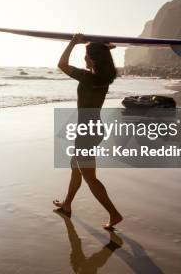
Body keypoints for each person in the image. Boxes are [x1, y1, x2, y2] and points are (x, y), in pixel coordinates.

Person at [53, 33, 123, 230]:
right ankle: (67, 204)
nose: (84, 59)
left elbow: (61, 64)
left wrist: (73, 43)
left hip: (86, 133)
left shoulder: (88, 77)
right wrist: (103, 48)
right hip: (94, 129)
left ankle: (114, 214)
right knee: (76, 166)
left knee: (89, 177)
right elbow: (101, 61)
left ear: (93, 59)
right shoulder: (105, 77)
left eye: (86, 56)